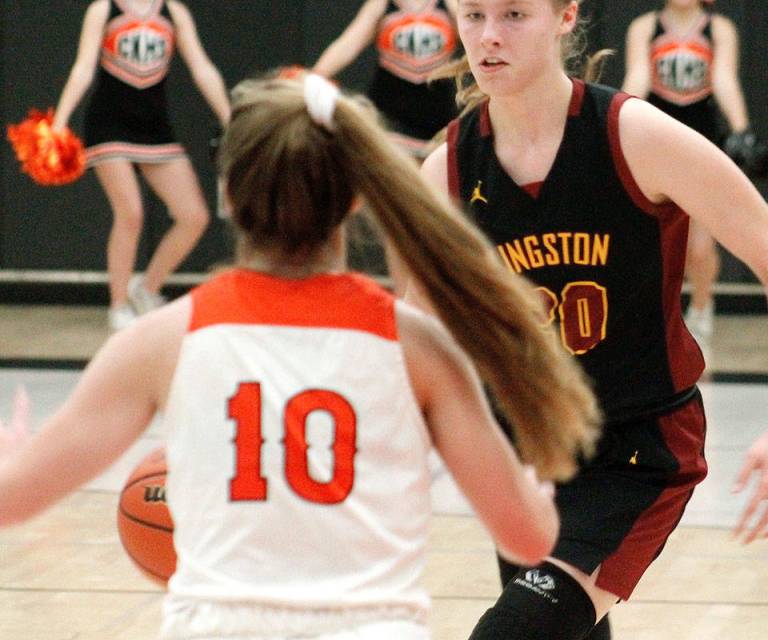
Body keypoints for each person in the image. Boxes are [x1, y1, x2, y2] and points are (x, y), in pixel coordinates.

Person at [0, 70, 601, 640]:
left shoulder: (161, 340)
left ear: (229, 196)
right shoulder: (419, 347)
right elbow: (527, 540)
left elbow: (11, 502)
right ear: (355, 200)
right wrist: (537, 494)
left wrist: (12, 458)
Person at [417, 0, 768, 640]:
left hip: (636, 447)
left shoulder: (633, 135)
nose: (489, 37)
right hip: (528, 452)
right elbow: (412, 331)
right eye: (473, 15)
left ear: (565, 19)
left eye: (514, 14)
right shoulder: (449, 164)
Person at [51, 0, 230, 331]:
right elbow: (82, 68)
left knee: (194, 215)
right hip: (109, 122)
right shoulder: (103, 9)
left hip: (154, 125)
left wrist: (229, 119)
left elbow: (202, 68)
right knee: (129, 212)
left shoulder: (174, 12)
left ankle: (145, 289)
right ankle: (117, 305)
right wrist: (59, 123)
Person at [622, 0, 766, 350]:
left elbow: (724, 80)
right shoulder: (644, 27)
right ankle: (658, 318)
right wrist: (615, 118)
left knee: (700, 248)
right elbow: (637, 77)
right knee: (652, 242)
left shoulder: (718, 29)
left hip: (704, 145)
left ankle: (701, 308)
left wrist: (742, 130)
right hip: (655, 144)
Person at [313, 0, 459, 158]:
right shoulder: (380, 5)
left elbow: (477, 44)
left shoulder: (449, 4)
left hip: (438, 111)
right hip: (389, 112)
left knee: (434, 183)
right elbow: (347, 45)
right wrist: (314, 76)